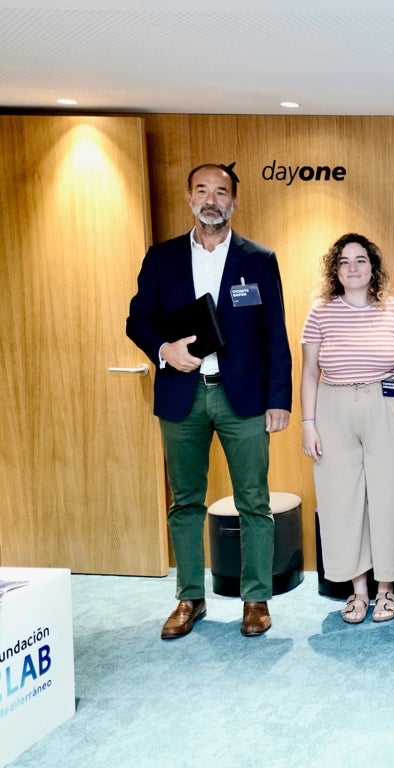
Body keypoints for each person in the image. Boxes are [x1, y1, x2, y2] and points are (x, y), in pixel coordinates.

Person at [125, 162, 292, 639]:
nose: (212, 200)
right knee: (186, 502)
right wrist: (164, 350)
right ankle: (189, 598)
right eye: (203, 191)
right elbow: (137, 320)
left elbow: (274, 333)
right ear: (189, 197)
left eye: (221, 193)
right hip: (183, 397)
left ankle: (256, 599)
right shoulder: (162, 257)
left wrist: (279, 398)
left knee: (254, 501)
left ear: (234, 202)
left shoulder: (258, 258)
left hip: (243, 398)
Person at [300, 233, 394, 624]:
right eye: (345, 261)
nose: (353, 267)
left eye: (361, 260)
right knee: (341, 502)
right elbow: (309, 373)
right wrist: (308, 424)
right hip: (333, 407)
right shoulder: (319, 312)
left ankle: (387, 590)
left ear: (373, 268)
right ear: (335, 270)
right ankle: (358, 591)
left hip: (386, 403)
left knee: (390, 498)